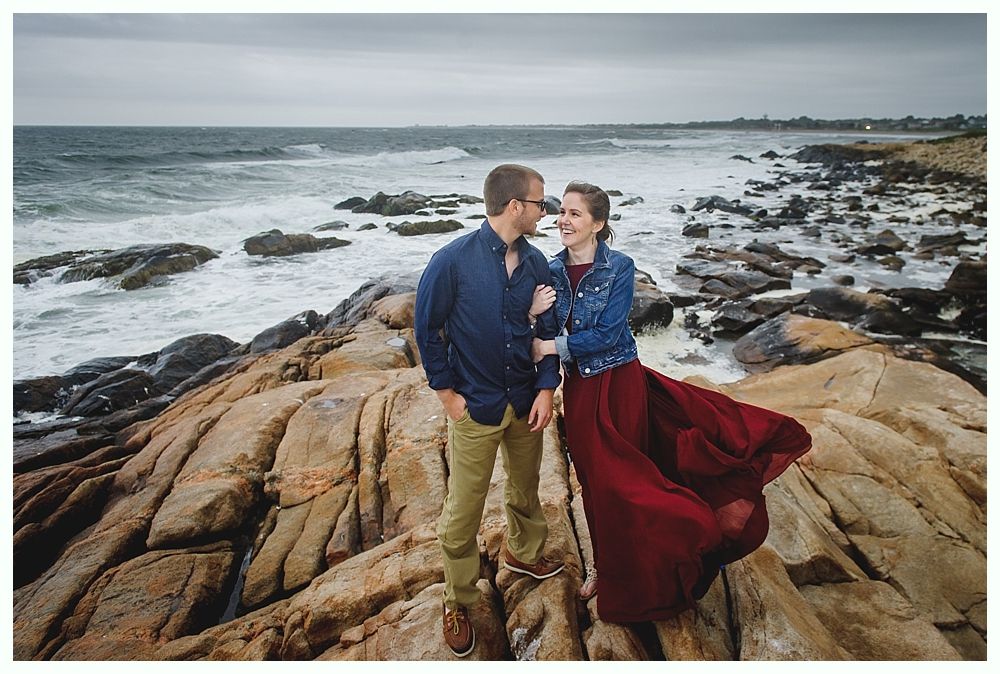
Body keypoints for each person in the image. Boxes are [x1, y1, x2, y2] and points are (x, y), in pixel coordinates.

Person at [529, 181, 812, 622]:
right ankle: (605, 567)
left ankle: (690, 534)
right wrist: (532, 314)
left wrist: (551, 346)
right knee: (593, 482)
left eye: (575, 214)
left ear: (598, 224)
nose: (563, 220)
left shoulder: (619, 267)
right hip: (581, 389)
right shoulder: (548, 271)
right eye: (561, 211)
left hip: (620, 383)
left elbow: (607, 333)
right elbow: (540, 324)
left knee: (625, 479)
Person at [414, 164, 567, 657]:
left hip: (526, 402)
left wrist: (546, 389)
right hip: (475, 407)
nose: (548, 212)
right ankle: (457, 598)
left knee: (525, 490)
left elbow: (547, 334)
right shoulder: (451, 261)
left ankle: (522, 556)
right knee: (463, 510)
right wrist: (447, 395)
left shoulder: (537, 263)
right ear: (515, 206)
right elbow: (428, 331)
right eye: (542, 203)